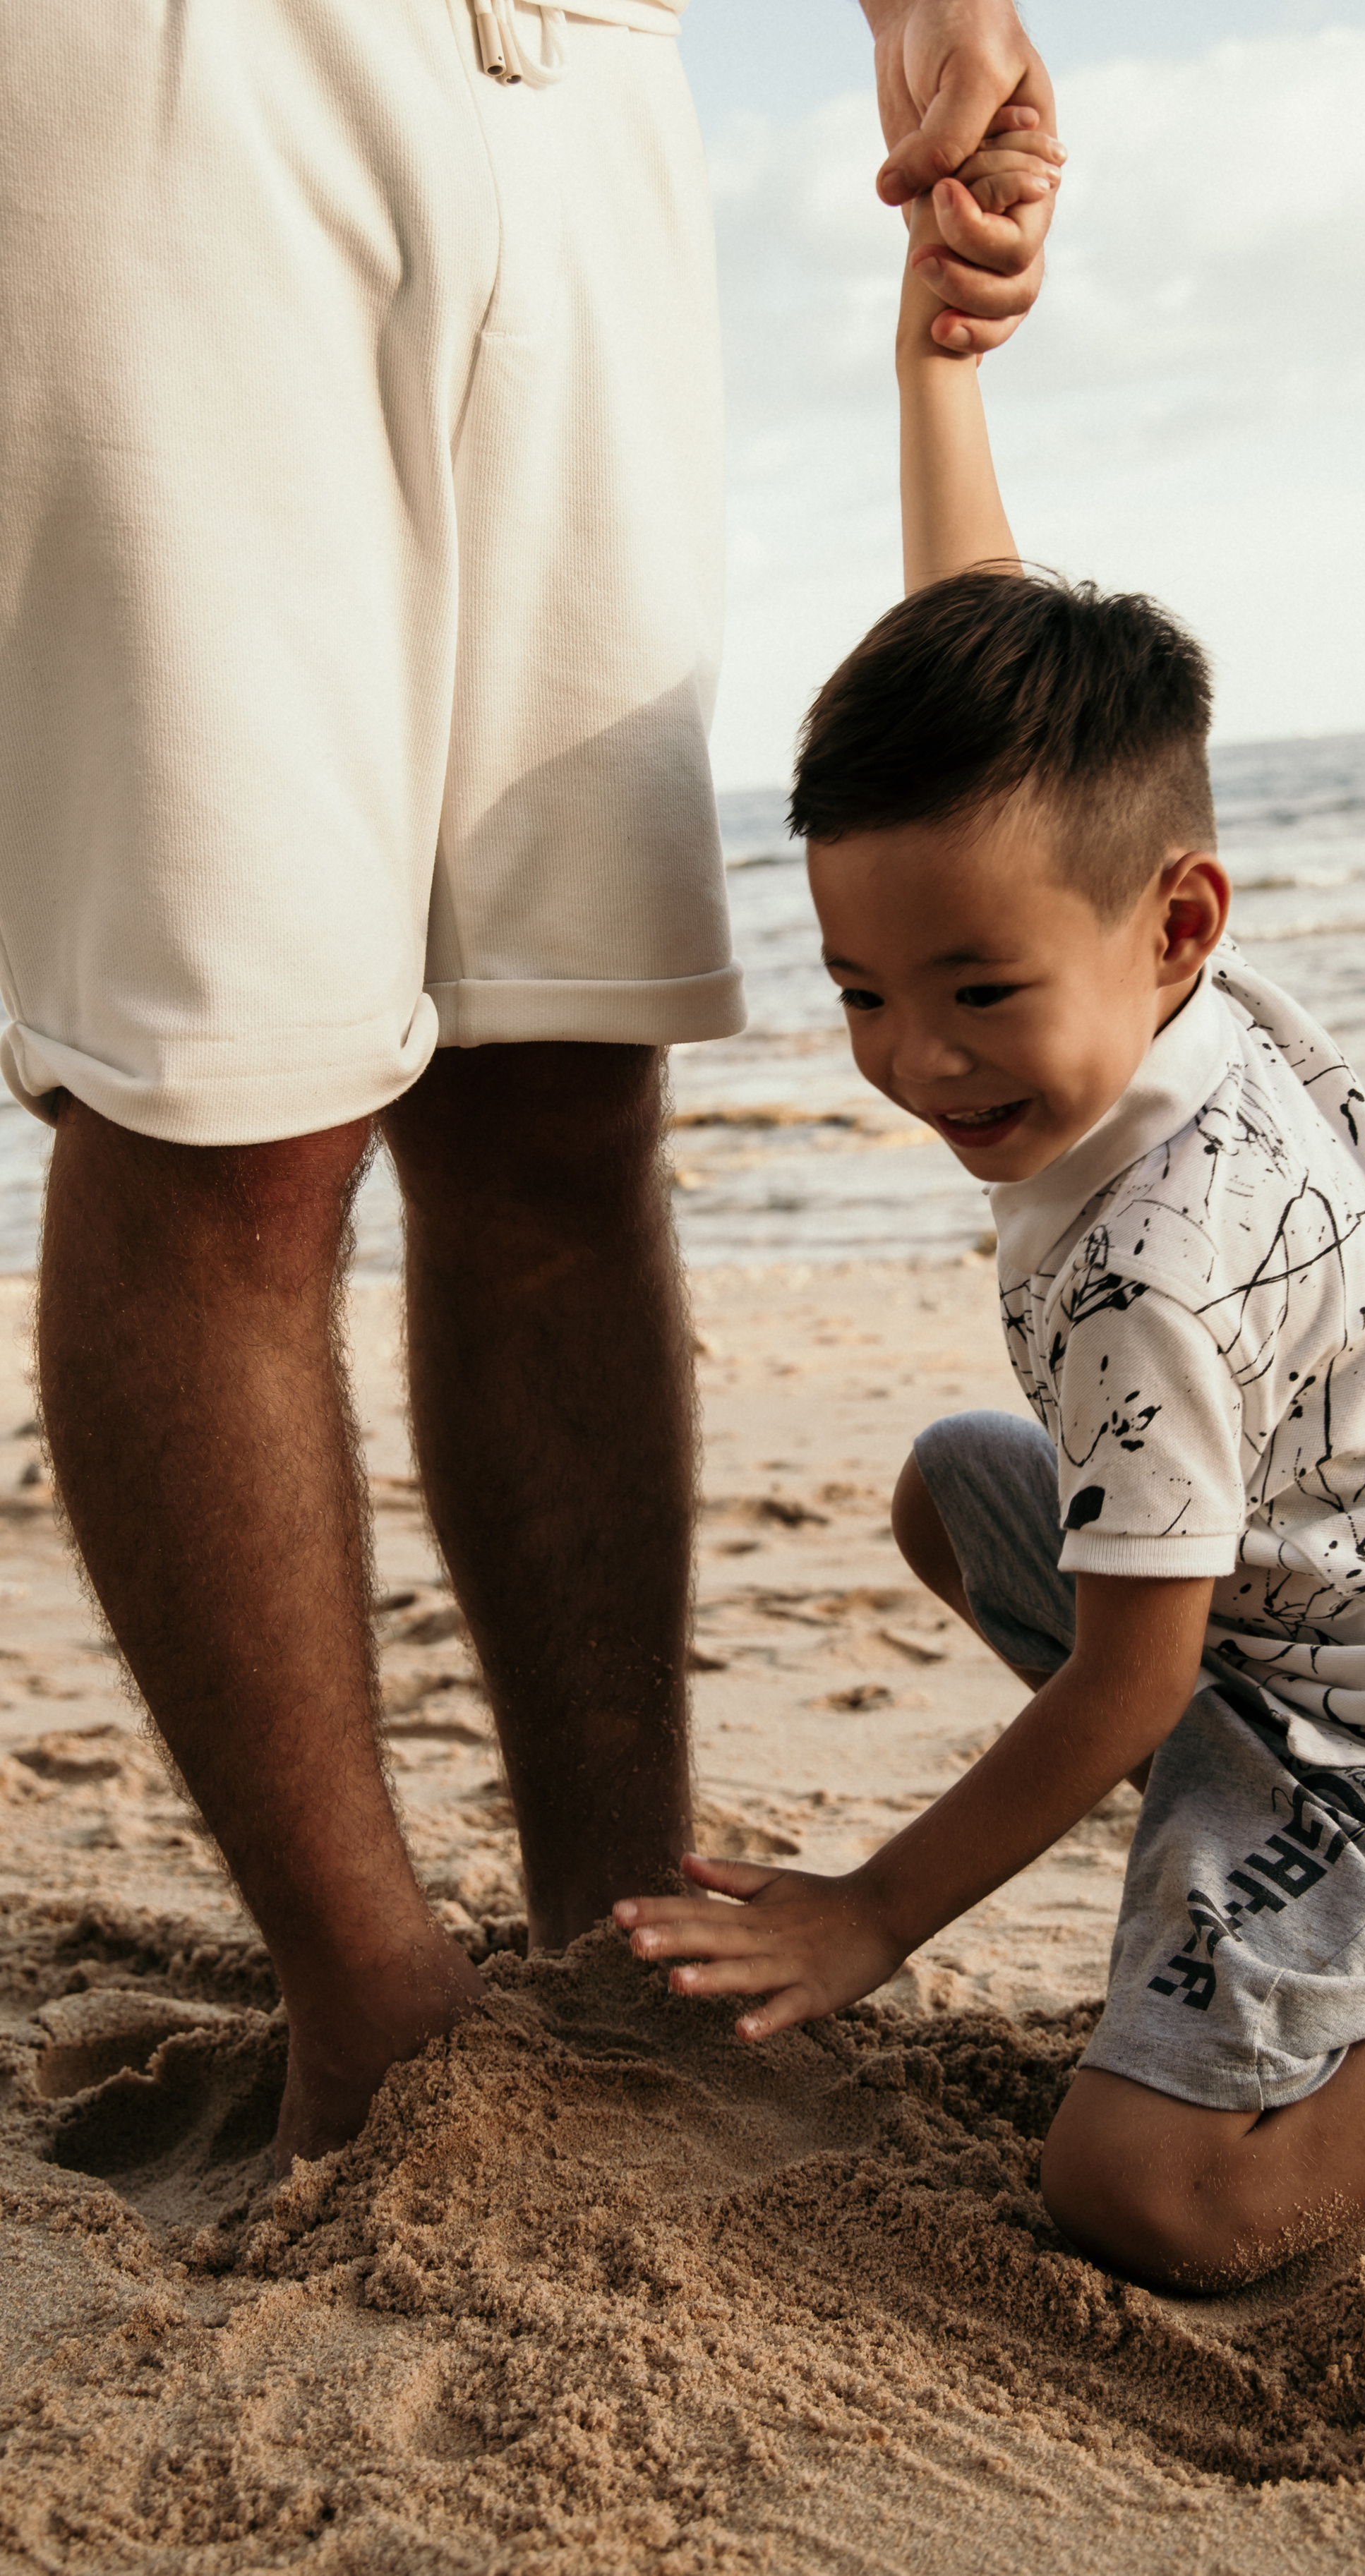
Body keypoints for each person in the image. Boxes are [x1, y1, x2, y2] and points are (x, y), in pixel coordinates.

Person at [613, 140, 1365, 2292]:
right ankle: (1284, 1894)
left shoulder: (1153, 1261)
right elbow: (988, 616)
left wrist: (871, 1908)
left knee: (1148, 2195)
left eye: (975, 997)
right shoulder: (1149, 956)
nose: (919, 1059)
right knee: (964, 1488)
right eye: (864, 991)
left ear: (1174, 921)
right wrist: (933, 358)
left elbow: (1126, 1686)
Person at [0, 0, 1059, 2167]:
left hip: (592, 71)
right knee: (230, 1100)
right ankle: (369, 2004)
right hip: (170, 62)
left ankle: (621, 1930)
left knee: (568, 1084)